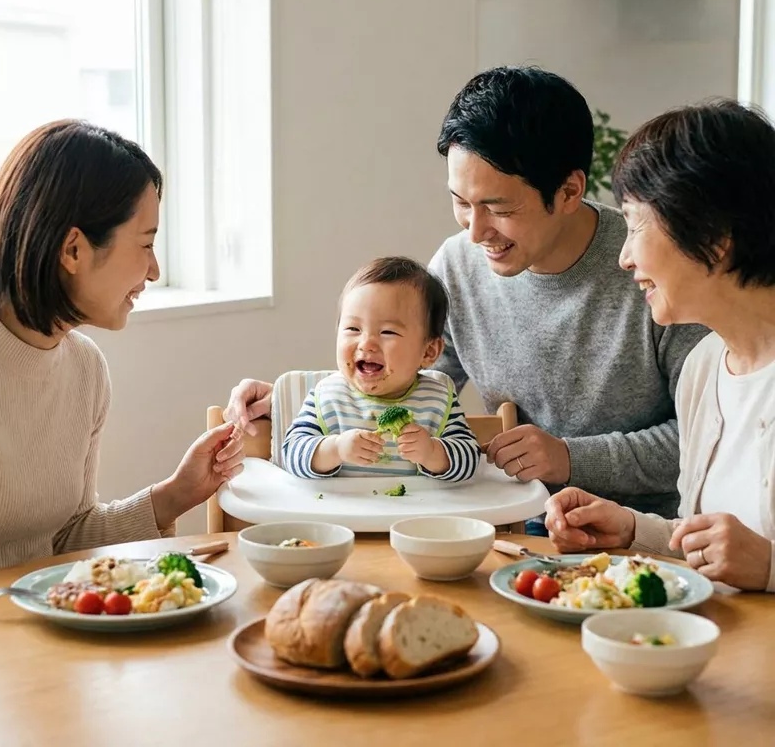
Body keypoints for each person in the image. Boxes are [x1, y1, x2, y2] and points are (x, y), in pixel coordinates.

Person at [224, 67, 706, 526]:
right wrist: (289, 399)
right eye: (460, 202)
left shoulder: (653, 268)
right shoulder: (457, 266)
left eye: (498, 208)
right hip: (510, 523)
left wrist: (568, 458)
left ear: (568, 191)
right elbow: (408, 381)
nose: (475, 233)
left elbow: (706, 437)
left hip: (639, 535)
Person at [0, 120, 244, 574]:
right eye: (146, 244)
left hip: (40, 609)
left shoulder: (85, 368)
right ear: (73, 250)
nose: (154, 270)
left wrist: (176, 494)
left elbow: (65, 537)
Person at [545, 99, 775, 592]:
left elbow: (753, 559)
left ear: (713, 235)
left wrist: (770, 567)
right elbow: (707, 545)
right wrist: (631, 528)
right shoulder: (704, 368)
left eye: (635, 225)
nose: (624, 257)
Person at [282, 257, 480, 480]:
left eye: (388, 332)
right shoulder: (327, 396)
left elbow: (470, 459)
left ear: (428, 352)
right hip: (340, 503)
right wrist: (336, 449)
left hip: (419, 503)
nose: (366, 343)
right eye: (353, 328)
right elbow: (291, 453)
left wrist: (432, 453)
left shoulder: (437, 399)